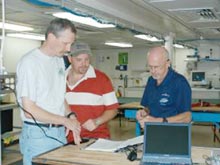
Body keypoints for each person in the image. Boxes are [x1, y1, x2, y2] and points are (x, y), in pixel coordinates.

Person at [16, 18, 81, 165]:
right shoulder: (30, 63)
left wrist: (70, 116)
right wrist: (65, 121)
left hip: (59, 132)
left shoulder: (58, 60)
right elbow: (29, 110)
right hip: (38, 135)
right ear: (51, 37)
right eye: (66, 43)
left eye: (71, 43)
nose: (69, 49)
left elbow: (59, 96)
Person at [65, 41, 119, 142]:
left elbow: (113, 109)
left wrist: (97, 121)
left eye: (87, 59)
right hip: (67, 139)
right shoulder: (60, 79)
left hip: (96, 138)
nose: (84, 64)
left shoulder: (102, 78)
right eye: (79, 60)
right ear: (69, 59)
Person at [136, 46, 192, 128]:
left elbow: (187, 117)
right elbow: (149, 106)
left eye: (157, 67)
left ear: (167, 63)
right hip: (152, 131)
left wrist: (161, 121)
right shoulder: (151, 80)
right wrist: (144, 112)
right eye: (150, 67)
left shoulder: (180, 83)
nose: (153, 71)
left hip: (173, 134)